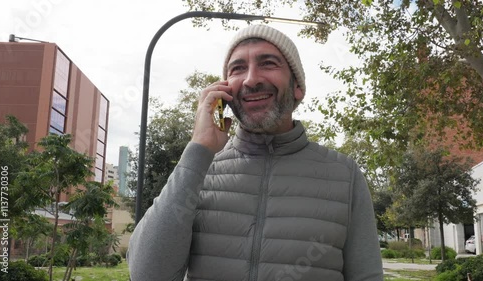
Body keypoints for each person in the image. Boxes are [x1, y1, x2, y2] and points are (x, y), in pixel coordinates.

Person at [127, 24, 383, 281]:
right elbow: (146, 275)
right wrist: (199, 148)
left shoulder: (344, 175)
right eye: (238, 68)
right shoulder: (198, 170)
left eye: (268, 63)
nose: (251, 79)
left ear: (298, 87)